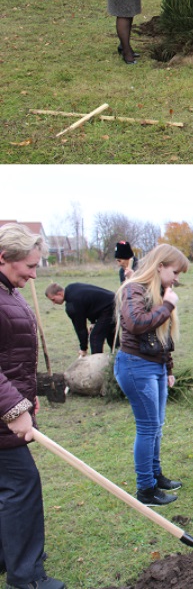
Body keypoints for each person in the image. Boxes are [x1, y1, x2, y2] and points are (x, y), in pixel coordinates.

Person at [0, 222, 66, 589]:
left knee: (9, 488)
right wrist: (13, 408)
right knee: (21, 487)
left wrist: (29, 394)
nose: (34, 273)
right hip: (2, 416)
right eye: (29, 265)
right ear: (3, 258)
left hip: (9, 406)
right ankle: (25, 578)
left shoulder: (8, 290)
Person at [114, 244, 188, 506]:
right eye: (175, 272)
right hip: (136, 366)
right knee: (147, 429)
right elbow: (135, 324)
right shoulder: (134, 289)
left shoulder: (158, 291)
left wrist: (168, 369)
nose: (177, 278)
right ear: (160, 266)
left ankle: (156, 477)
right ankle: (145, 490)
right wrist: (167, 305)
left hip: (154, 367)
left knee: (156, 428)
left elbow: (163, 337)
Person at [45, 282, 116, 356]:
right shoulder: (71, 287)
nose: (53, 303)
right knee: (111, 334)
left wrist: (83, 348)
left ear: (59, 293)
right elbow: (90, 303)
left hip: (109, 308)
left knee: (95, 337)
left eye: (53, 299)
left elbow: (81, 329)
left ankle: (97, 363)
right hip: (114, 300)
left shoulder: (72, 305)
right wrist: (93, 322)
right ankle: (118, 358)